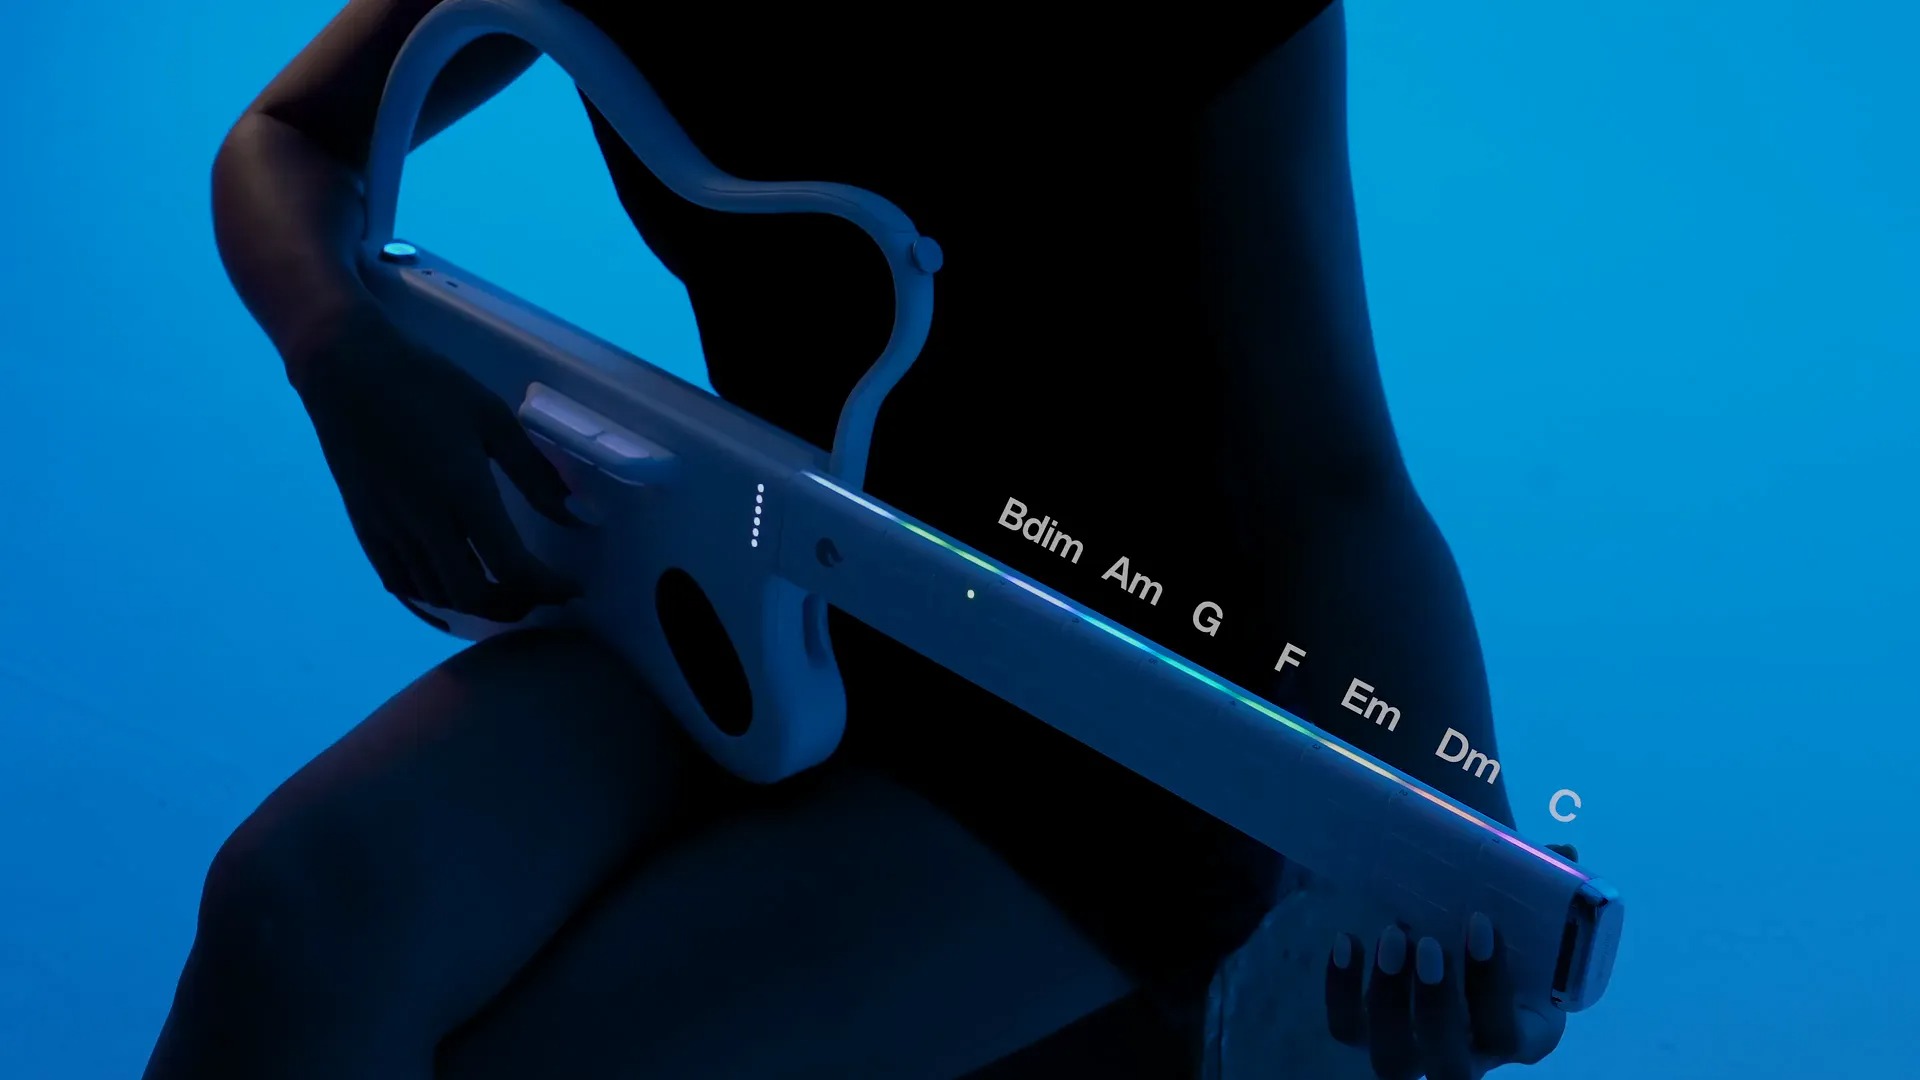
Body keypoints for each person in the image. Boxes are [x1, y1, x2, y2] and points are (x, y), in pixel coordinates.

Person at [144, 2, 1573, 1077]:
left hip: (1110, 730)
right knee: (292, 917)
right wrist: (336, 348)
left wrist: (1461, 845)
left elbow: (1329, 469)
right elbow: (290, 138)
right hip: (760, 579)